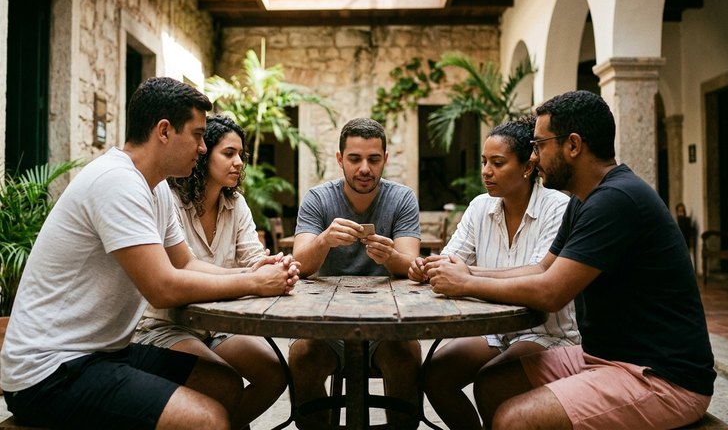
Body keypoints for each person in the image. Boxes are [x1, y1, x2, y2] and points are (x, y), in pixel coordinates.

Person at [0, 77, 299, 429]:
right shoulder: (117, 182)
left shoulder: (155, 189)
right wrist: (255, 284)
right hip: (51, 370)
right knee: (208, 420)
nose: (203, 148)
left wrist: (253, 273)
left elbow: (186, 263)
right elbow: (163, 287)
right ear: (164, 131)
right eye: (198, 134)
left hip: (106, 354)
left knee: (224, 384)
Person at [425, 90, 716, 429]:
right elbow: (540, 268)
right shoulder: (585, 199)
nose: (535, 157)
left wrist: (468, 284)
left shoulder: (616, 200)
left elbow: (551, 293)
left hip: (661, 377)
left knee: (514, 420)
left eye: (540, 145)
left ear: (573, 145)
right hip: (603, 358)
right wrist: (468, 270)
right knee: (493, 385)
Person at [408, 116, 579, 430]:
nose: (486, 171)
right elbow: (450, 260)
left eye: (498, 163)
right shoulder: (480, 207)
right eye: (484, 161)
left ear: (528, 167)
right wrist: (428, 266)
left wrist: (466, 275)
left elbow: (538, 274)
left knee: (491, 381)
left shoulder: (557, 207)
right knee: (435, 374)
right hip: (496, 331)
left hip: (547, 332)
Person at [132, 114, 287, 428]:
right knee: (223, 383)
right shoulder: (170, 201)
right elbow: (180, 270)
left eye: (240, 155)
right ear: (203, 156)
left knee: (274, 374)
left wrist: (273, 267)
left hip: (215, 324)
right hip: (165, 323)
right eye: (228, 153)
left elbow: (252, 260)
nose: (239, 162)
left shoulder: (236, 203)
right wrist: (252, 278)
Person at [288, 117, 422, 429]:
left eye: (374, 159)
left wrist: (389, 257)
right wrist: (324, 239)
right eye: (355, 159)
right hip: (326, 326)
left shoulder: (401, 198)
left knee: (408, 358)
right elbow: (301, 264)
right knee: (302, 359)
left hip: (390, 325)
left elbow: (411, 266)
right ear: (340, 159)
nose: (365, 168)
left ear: (385, 160)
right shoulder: (318, 198)